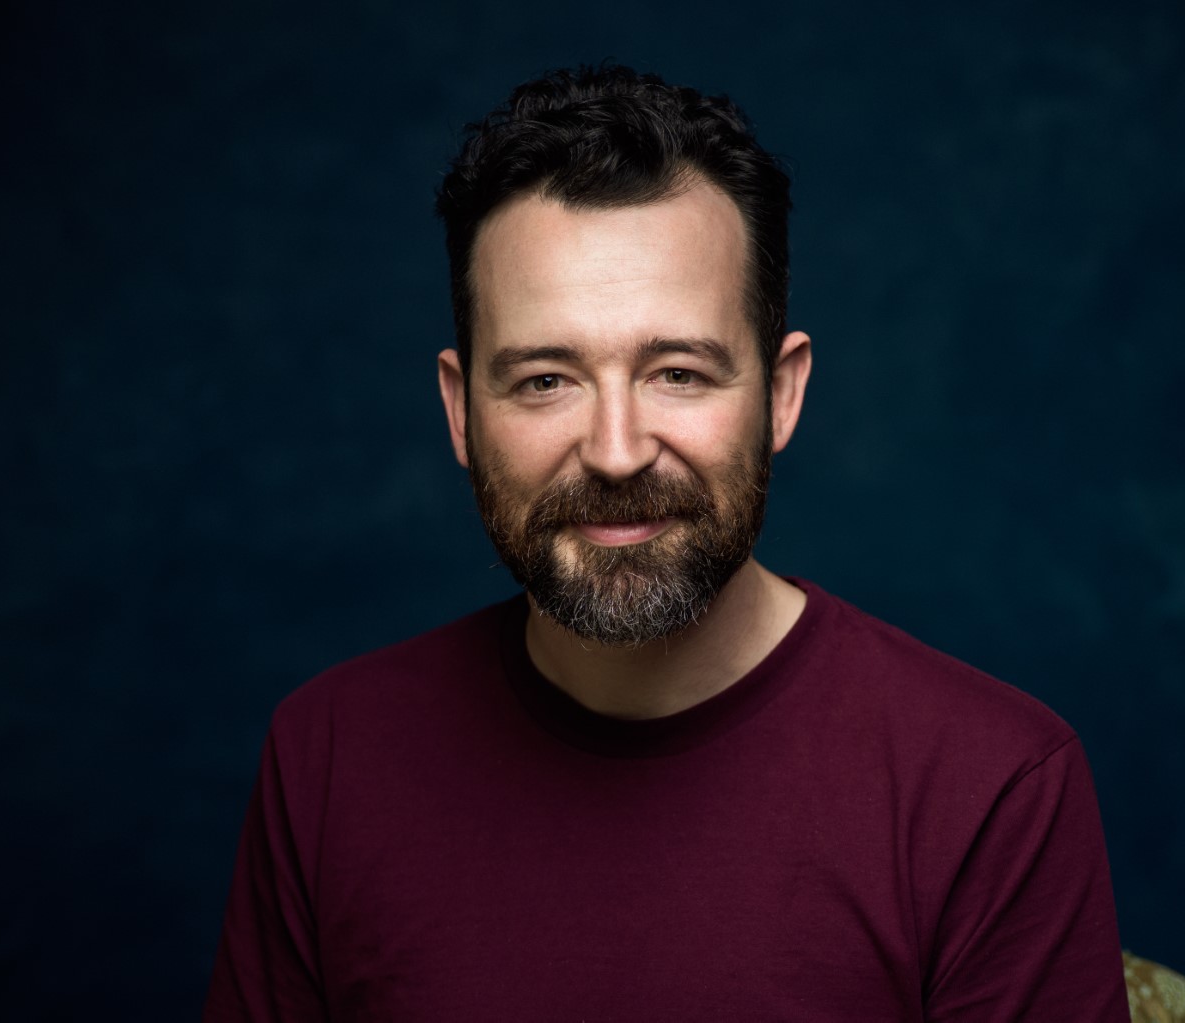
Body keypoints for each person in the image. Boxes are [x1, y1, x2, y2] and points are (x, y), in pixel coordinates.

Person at [205, 65, 1128, 1021]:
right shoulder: (329, 758)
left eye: (679, 372)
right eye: (545, 380)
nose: (616, 451)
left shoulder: (992, 786)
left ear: (781, 393)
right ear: (459, 410)